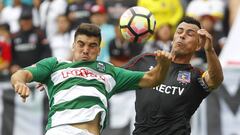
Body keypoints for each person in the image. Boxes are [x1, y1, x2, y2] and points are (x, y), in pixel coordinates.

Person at [10, 23, 172, 135]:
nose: (85, 50)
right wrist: (19, 83)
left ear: (99, 50)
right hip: (60, 130)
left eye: (92, 45)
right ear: (73, 45)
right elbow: (20, 74)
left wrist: (164, 64)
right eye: (81, 44)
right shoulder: (54, 64)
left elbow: (152, 78)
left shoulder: (109, 71)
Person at [123, 16, 224, 135]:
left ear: (198, 46)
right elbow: (113, 77)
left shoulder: (196, 76)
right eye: (179, 31)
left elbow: (215, 80)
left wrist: (209, 50)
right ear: (173, 39)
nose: (182, 35)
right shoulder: (146, 60)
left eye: (190, 34)